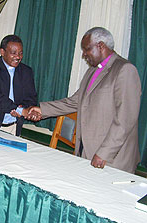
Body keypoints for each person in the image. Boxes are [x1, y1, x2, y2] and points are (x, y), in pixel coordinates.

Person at [26, 27, 141, 173]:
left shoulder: (125, 70)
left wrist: (104, 152)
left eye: (87, 49)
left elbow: (125, 119)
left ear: (101, 46)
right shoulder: (93, 70)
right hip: (88, 150)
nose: (84, 54)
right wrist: (43, 110)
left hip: (112, 157)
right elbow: (75, 101)